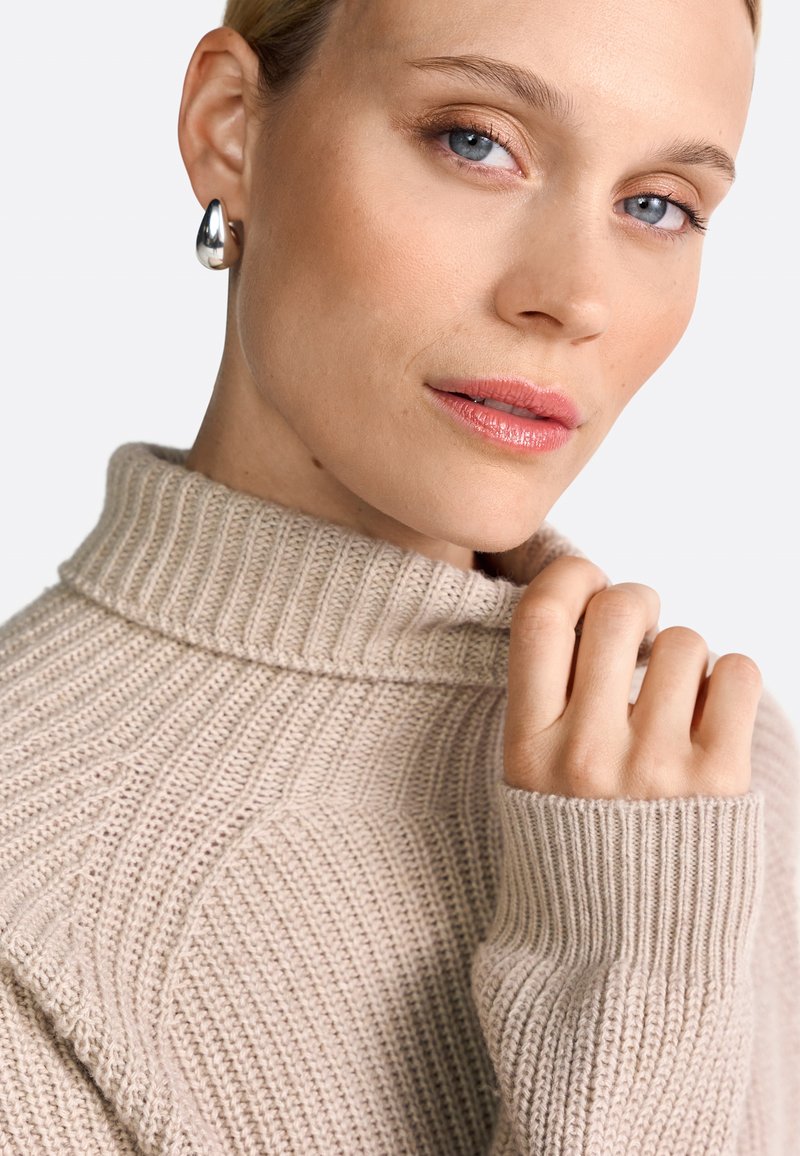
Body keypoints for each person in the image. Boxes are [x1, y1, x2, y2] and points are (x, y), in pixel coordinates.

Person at [0, 0, 797, 1151]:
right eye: (474, 141)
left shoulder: (701, 772)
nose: (573, 296)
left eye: (656, 205)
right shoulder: (31, 898)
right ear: (229, 126)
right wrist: (625, 988)